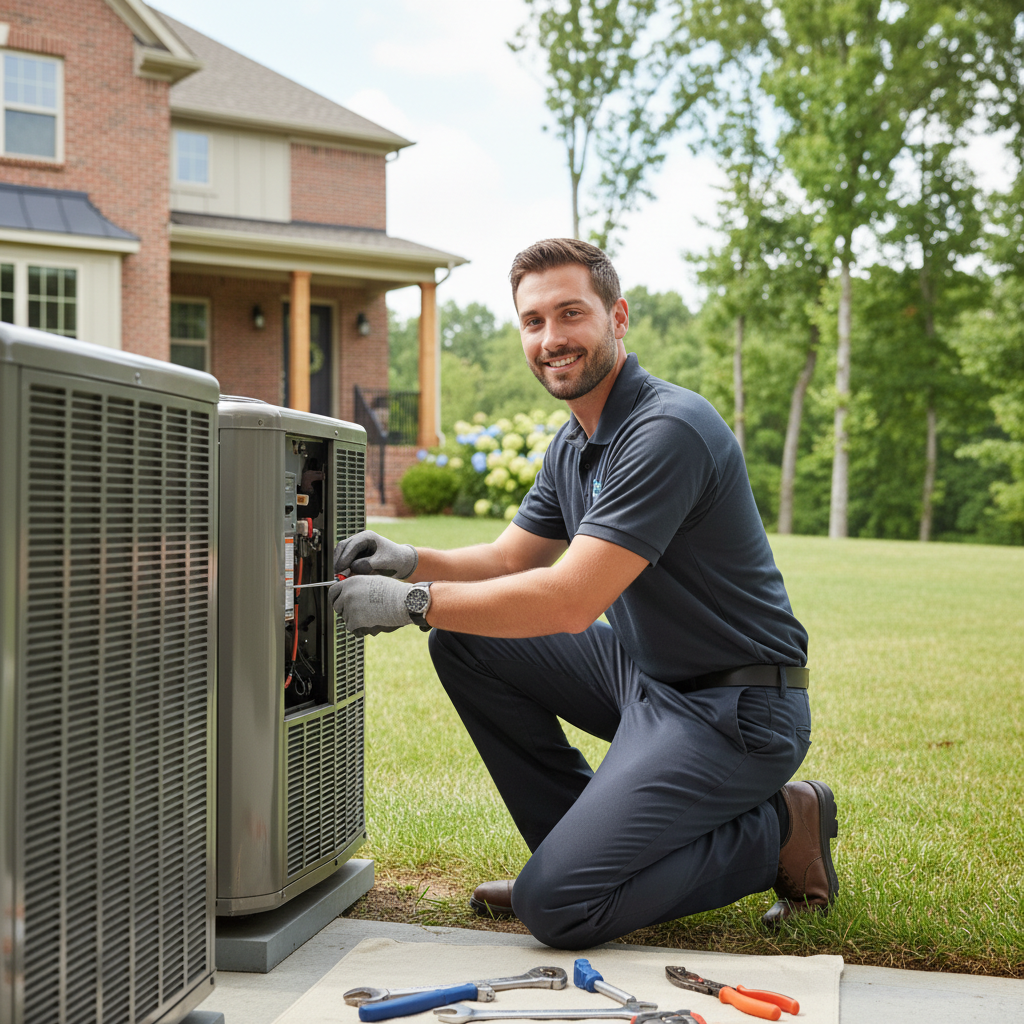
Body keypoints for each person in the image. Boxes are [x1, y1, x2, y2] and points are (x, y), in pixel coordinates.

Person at [329, 237, 839, 950]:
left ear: (618, 316)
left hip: (738, 707)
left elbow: (569, 601)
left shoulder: (667, 429)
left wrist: (413, 603)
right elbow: (511, 558)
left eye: (571, 313)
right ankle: (583, 860)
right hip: (647, 680)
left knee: (559, 910)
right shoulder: (573, 444)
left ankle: (783, 828)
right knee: (466, 641)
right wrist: (410, 560)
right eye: (533, 322)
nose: (551, 338)